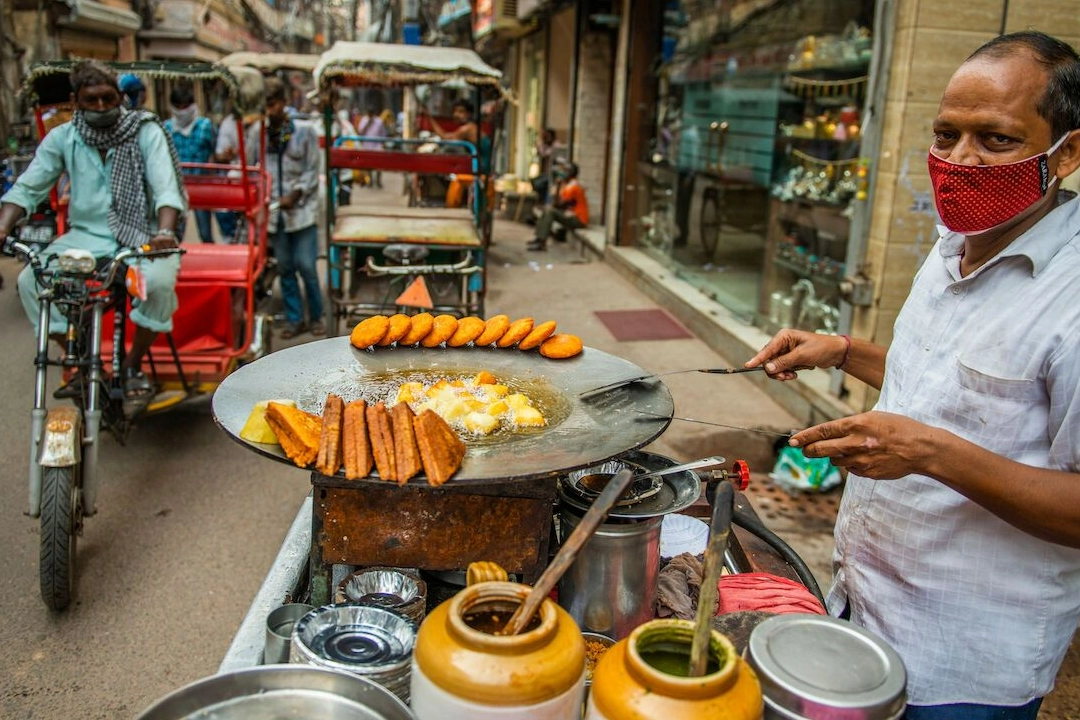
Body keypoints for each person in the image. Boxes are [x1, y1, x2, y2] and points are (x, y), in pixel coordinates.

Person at [745, 31, 1080, 719]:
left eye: (996, 140)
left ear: (1067, 152)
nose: (959, 161)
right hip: (864, 604)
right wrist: (841, 350)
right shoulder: (952, 243)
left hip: (965, 662)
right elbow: (947, 383)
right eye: (945, 134)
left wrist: (929, 454)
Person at [0, 60, 186, 406]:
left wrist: (164, 230)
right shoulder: (64, 137)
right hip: (84, 236)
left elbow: (166, 188)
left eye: (108, 98)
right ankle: (78, 363)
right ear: (76, 100)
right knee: (30, 281)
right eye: (91, 100)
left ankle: (131, 365)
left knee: (159, 284)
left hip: (142, 235)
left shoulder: (145, 130)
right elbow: (29, 187)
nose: (101, 107)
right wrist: (2, 225)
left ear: (120, 97)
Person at [250, 76, 323, 339]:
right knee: (284, 268)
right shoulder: (256, 134)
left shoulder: (304, 132)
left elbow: (313, 171)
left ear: (282, 103)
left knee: (306, 265)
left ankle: (316, 316)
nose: (268, 110)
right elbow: (251, 169)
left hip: (301, 212)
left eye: (271, 103)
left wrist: (297, 192)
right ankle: (295, 319)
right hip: (274, 213)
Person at [164, 83, 216, 243]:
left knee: (205, 233)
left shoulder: (205, 126)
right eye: (178, 106)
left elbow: (215, 152)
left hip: (201, 185)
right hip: (176, 187)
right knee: (174, 234)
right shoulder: (166, 128)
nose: (182, 110)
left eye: (186, 106)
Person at [527, 162, 589, 251]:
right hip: (570, 215)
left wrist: (558, 187)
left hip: (578, 219)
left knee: (550, 212)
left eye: (565, 171)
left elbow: (559, 204)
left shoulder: (573, 187)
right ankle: (538, 238)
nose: (562, 173)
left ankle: (541, 242)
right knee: (547, 210)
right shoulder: (567, 185)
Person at [354, 103, 387, 188]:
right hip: (367, 146)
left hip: (377, 146)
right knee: (368, 166)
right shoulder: (364, 120)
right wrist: (368, 123)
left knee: (379, 165)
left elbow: (383, 134)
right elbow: (360, 132)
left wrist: (382, 144)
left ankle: (378, 181)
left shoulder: (379, 121)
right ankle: (370, 181)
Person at [530, 128, 558, 204]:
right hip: (545, 172)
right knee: (535, 182)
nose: (546, 138)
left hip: (552, 173)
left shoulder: (555, 145)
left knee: (545, 186)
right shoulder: (545, 144)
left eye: (547, 136)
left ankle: (544, 202)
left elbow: (545, 154)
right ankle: (539, 200)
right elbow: (540, 154)